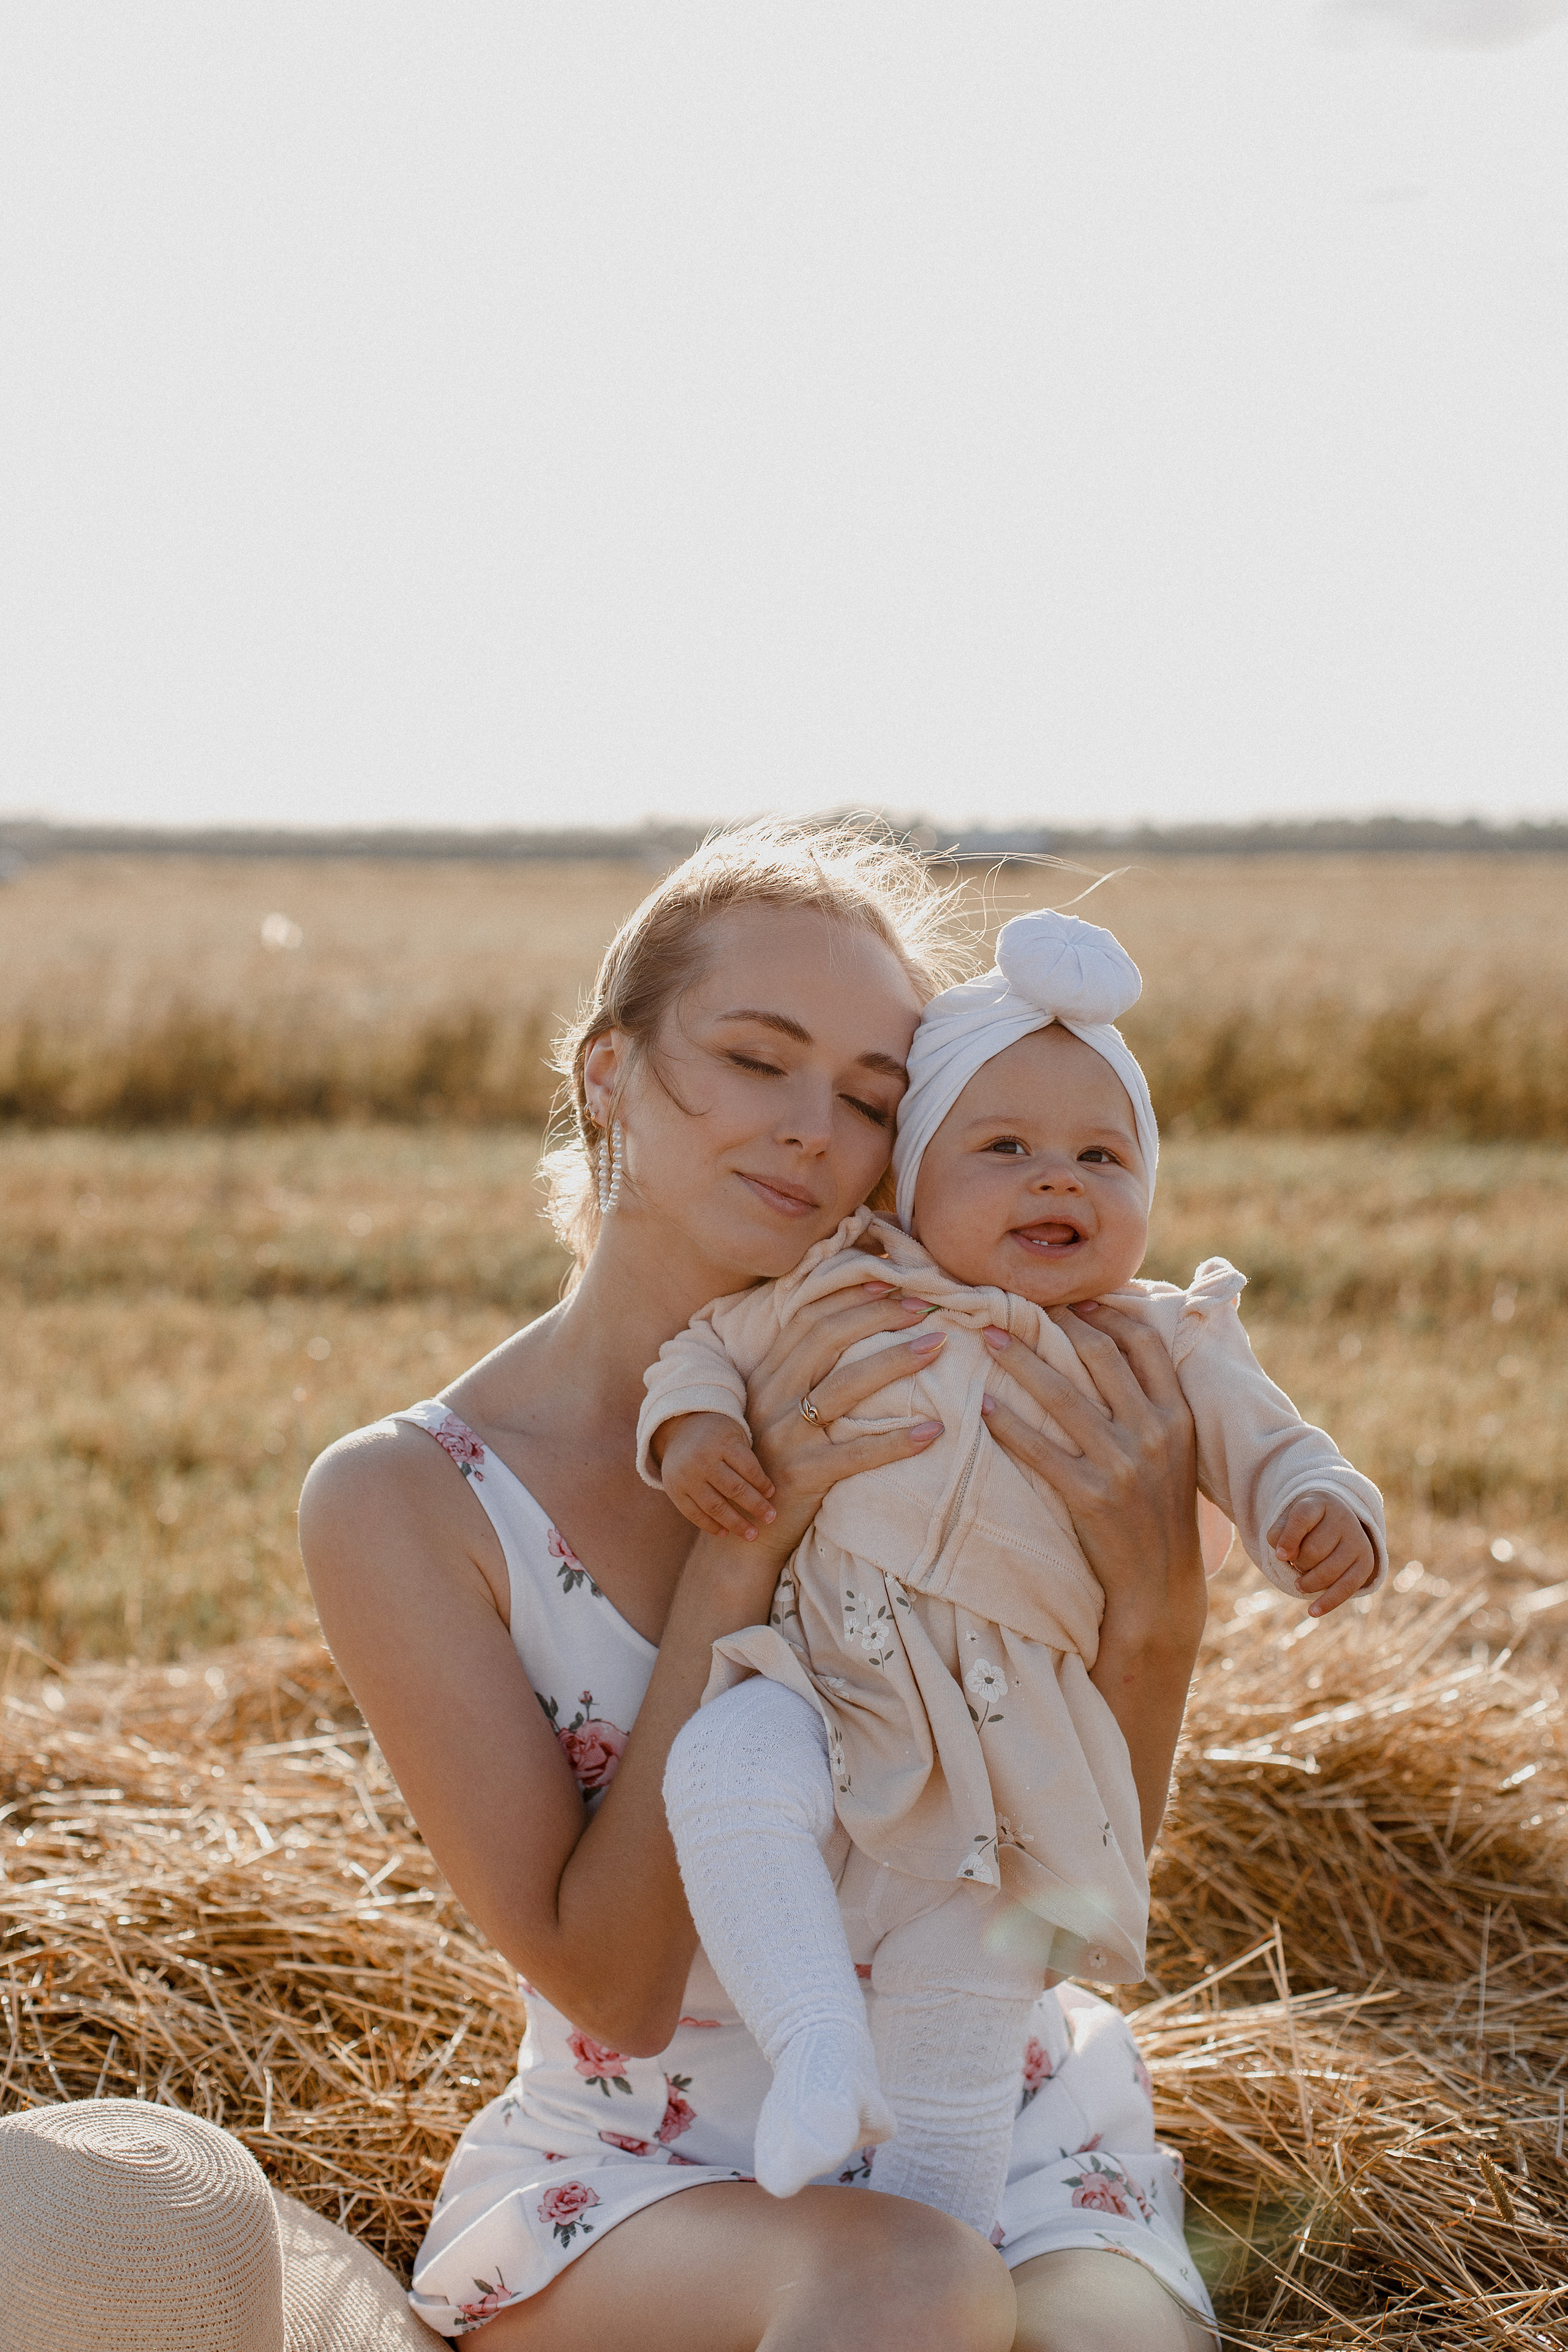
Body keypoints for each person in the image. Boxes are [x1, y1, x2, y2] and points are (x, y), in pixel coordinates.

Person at [300, 822, 1218, 2352]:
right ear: (608, 1074)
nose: (813, 1131)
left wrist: (1155, 1611)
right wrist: (747, 1535)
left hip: (999, 2124)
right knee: (906, 2281)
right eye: (754, 1059)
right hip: (657, 2183)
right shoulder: (410, 1500)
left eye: (869, 1098)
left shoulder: (958, 1405)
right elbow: (617, 1984)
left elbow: (1052, 1900)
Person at [649, 905, 1385, 2237]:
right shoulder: (843, 1285)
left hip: (1011, 1744)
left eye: (1101, 1157)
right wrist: (695, 1430)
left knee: (969, 1996)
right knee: (722, 1768)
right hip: (827, 1681)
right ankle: (814, 2045)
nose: (1058, 1181)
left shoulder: (1163, 1344)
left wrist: (1317, 1506)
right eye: (1003, 1150)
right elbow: (705, 1347)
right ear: (908, 1183)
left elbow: (1272, 1443)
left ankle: (937, 2224)